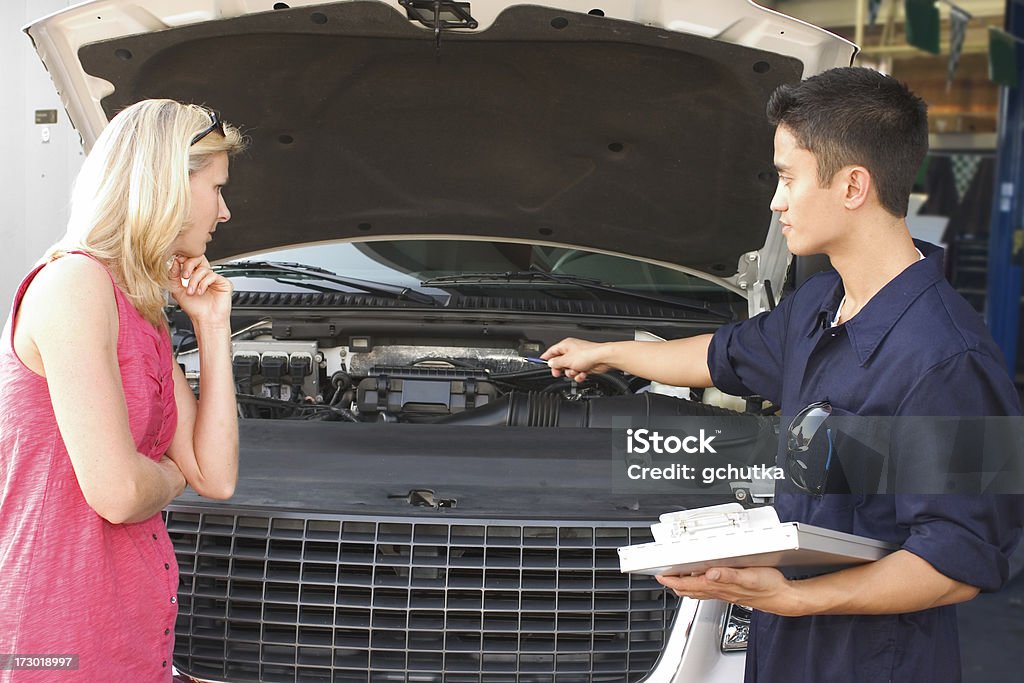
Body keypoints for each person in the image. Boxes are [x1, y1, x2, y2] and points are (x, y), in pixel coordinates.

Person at [541, 67, 1023, 682]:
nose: (776, 201)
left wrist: (797, 599)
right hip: (788, 651)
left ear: (852, 186)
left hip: (874, 665)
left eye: (787, 177)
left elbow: (956, 566)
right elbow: (718, 354)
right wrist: (604, 352)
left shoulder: (951, 362)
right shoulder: (819, 308)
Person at [0, 100, 245, 681]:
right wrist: (167, 473)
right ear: (168, 186)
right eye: (216, 188)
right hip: (55, 641)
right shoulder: (74, 284)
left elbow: (216, 476)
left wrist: (212, 325)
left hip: (129, 633)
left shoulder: (139, 306)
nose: (226, 211)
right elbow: (119, 493)